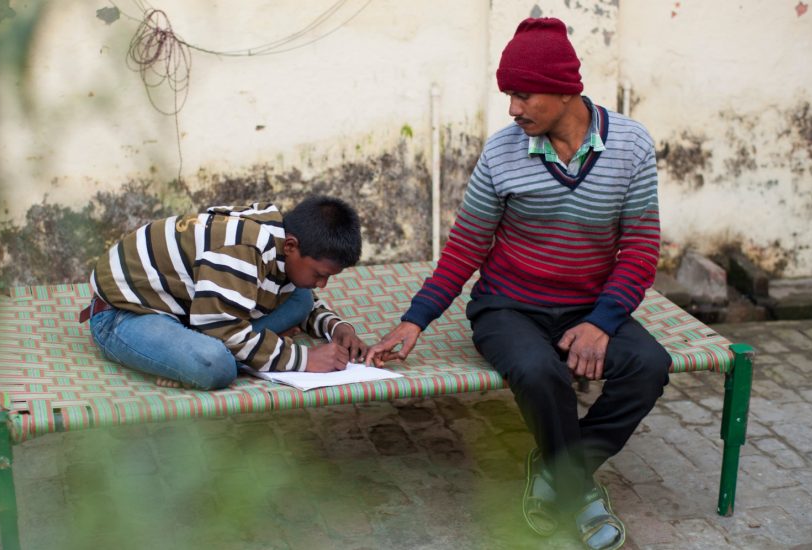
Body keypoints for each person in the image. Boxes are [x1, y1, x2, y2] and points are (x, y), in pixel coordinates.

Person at [365, 17, 670, 550]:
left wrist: (600, 324)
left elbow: (640, 250)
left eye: (523, 95)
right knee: (538, 370)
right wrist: (416, 319)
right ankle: (579, 493)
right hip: (507, 307)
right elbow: (466, 246)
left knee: (650, 366)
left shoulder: (631, 147)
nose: (513, 109)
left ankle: (558, 469)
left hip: (588, 307)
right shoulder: (501, 154)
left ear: (566, 89)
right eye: (509, 94)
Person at [83, 196, 368, 390]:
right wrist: (305, 360)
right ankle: (192, 362)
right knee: (215, 364)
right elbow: (222, 330)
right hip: (124, 315)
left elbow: (292, 287)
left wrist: (335, 326)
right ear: (291, 246)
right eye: (320, 275)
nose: (322, 285)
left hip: (195, 310)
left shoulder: (280, 238)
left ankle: (222, 354)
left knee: (301, 299)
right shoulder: (243, 250)